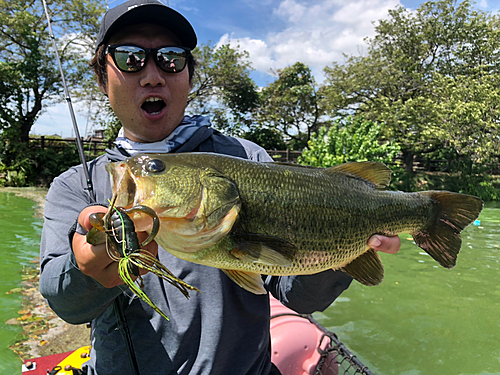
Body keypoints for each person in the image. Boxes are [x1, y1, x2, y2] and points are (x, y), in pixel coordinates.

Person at [39, 1, 401, 374]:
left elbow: (298, 294)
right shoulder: (75, 186)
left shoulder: (248, 158)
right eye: (130, 58)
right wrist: (88, 272)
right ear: (102, 77)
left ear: (189, 77)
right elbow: (64, 304)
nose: (152, 76)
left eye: (170, 58)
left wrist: (346, 249)